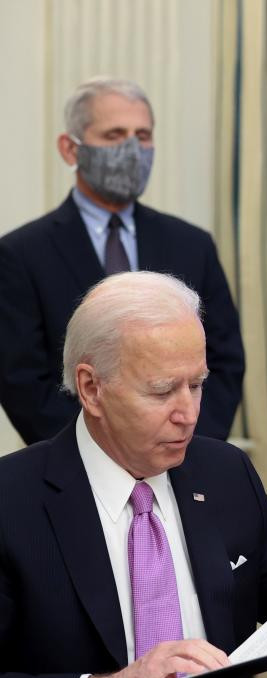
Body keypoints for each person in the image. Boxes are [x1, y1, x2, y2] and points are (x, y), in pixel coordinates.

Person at [0, 272, 267, 678]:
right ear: (91, 388)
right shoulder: (14, 499)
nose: (188, 414)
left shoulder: (225, 473)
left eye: (196, 385)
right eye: (162, 391)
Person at [0, 77, 244, 446]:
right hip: (75, 471)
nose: (132, 149)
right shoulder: (22, 253)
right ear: (70, 149)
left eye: (142, 135)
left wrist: (187, 443)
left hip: (182, 460)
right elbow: (22, 381)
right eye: (114, 135)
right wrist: (100, 456)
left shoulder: (192, 244)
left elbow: (224, 362)